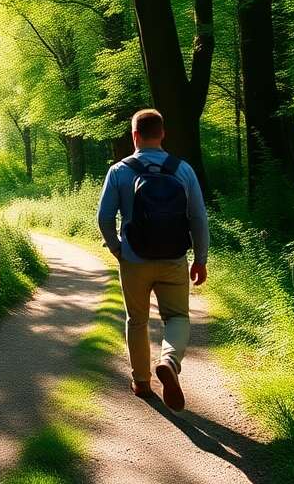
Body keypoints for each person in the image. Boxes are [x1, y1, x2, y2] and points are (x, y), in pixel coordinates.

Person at [96, 109, 209, 411]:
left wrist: (116, 248)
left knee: (138, 320)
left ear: (134, 136)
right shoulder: (182, 170)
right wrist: (200, 258)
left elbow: (104, 217)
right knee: (177, 317)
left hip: (134, 259)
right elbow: (198, 218)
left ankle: (142, 382)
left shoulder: (119, 171)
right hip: (173, 258)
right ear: (163, 134)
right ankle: (169, 361)